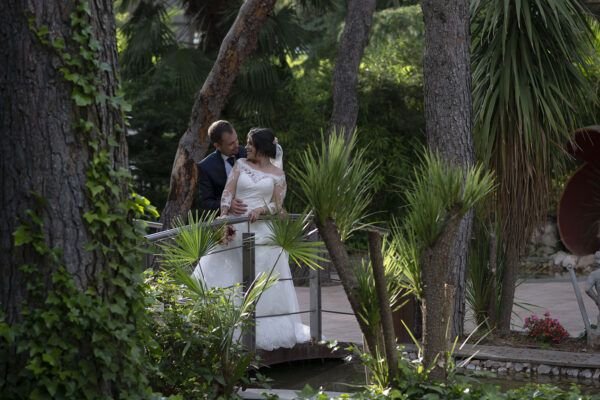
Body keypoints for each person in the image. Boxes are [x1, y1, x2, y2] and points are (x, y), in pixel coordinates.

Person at [193, 128, 310, 351]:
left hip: (262, 231)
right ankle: (223, 326)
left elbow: (278, 204)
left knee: (263, 281)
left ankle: (256, 331)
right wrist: (226, 216)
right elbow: (227, 193)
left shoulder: (278, 175)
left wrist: (262, 209)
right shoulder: (240, 165)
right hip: (237, 229)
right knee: (231, 278)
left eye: (250, 143)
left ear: (262, 148)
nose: (245, 147)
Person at [197, 120, 247, 215]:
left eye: (236, 139)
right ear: (217, 146)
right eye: (231, 144)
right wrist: (226, 204)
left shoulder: (248, 154)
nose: (236, 145)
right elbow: (206, 203)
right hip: (227, 221)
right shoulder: (205, 167)